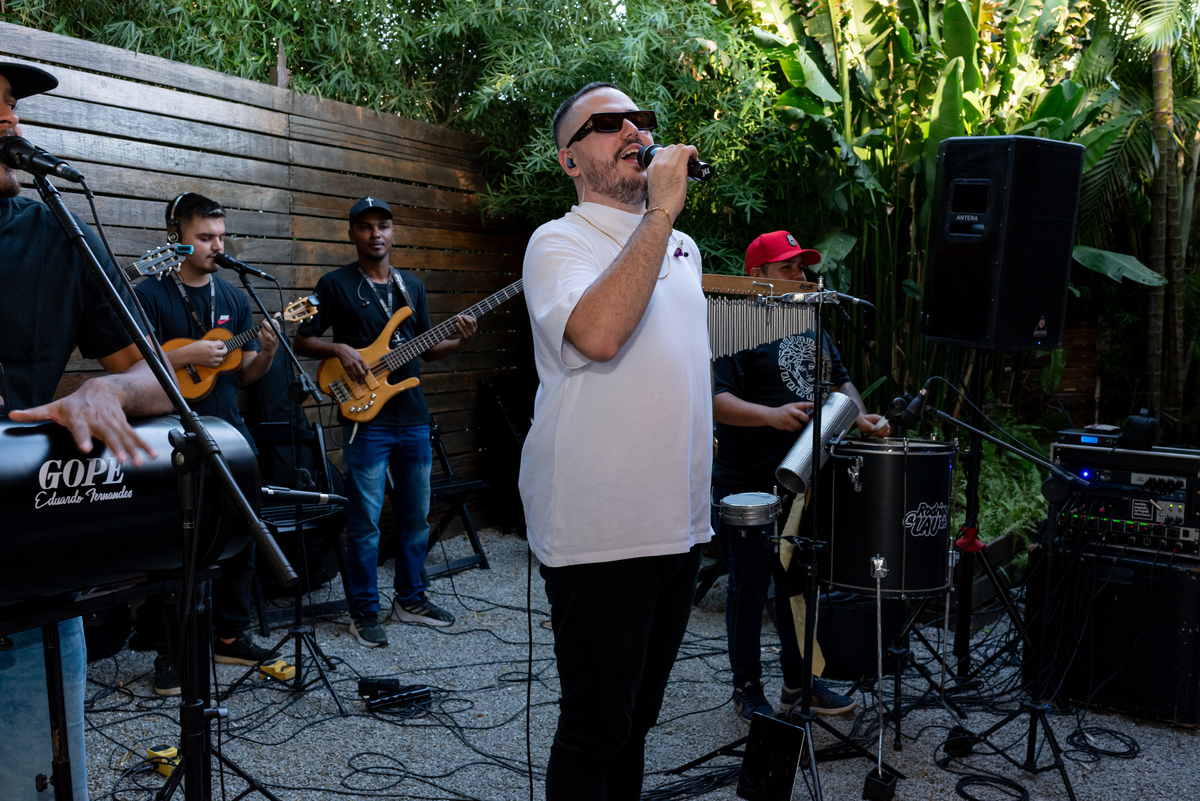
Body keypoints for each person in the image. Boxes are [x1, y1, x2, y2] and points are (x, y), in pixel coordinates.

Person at [520, 82, 712, 800]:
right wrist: (660, 211)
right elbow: (599, 335)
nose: (633, 131)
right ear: (570, 160)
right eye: (606, 123)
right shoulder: (557, 241)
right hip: (600, 529)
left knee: (636, 723)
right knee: (595, 728)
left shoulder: (683, 246)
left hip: (678, 525)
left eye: (641, 120)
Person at [0, 62, 173, 801]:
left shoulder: (57, 232)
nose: (8, 119)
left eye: (10, 104)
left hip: (23, 587)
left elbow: (158, 379)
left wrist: (107, 389)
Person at [711, 230, 891, 723]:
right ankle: (747, 688)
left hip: (807, 477)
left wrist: (860, 416)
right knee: (749, 587)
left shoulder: (810, 320)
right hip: (748, 479)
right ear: (757, 275)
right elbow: (714, 400)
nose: (801, 275)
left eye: (802, 266)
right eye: (787, 267)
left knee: (798, 585)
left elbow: (840, 381)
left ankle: (800, 684)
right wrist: (771, 416)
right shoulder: (733, 323)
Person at [294, 196, 476, 647]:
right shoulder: (334, 284)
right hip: (366, 420)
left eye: (384, 226)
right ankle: (364, 610)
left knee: (416, 518)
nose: (376, 234)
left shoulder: (411, 286)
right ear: (352, 234)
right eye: (366, 226)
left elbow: (425, 348)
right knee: (365, 524)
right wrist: (339, 349)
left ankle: (410, 599)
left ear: (394, 232)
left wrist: (458, 341)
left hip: (412, 417)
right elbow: (303, 340)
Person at [130, 193, 279, 693]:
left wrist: (268, 350)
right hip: (168, 434)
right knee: (172, 541)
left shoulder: (233, 298)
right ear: (177, 237)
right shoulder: (151, 293)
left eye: (221, 237)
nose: (218, 246)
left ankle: (230, 635)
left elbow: (247, 372)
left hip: (229, 430)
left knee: (244, 527)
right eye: (205, 237)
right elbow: (133, 363)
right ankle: (167, 650)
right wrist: (187, 354)